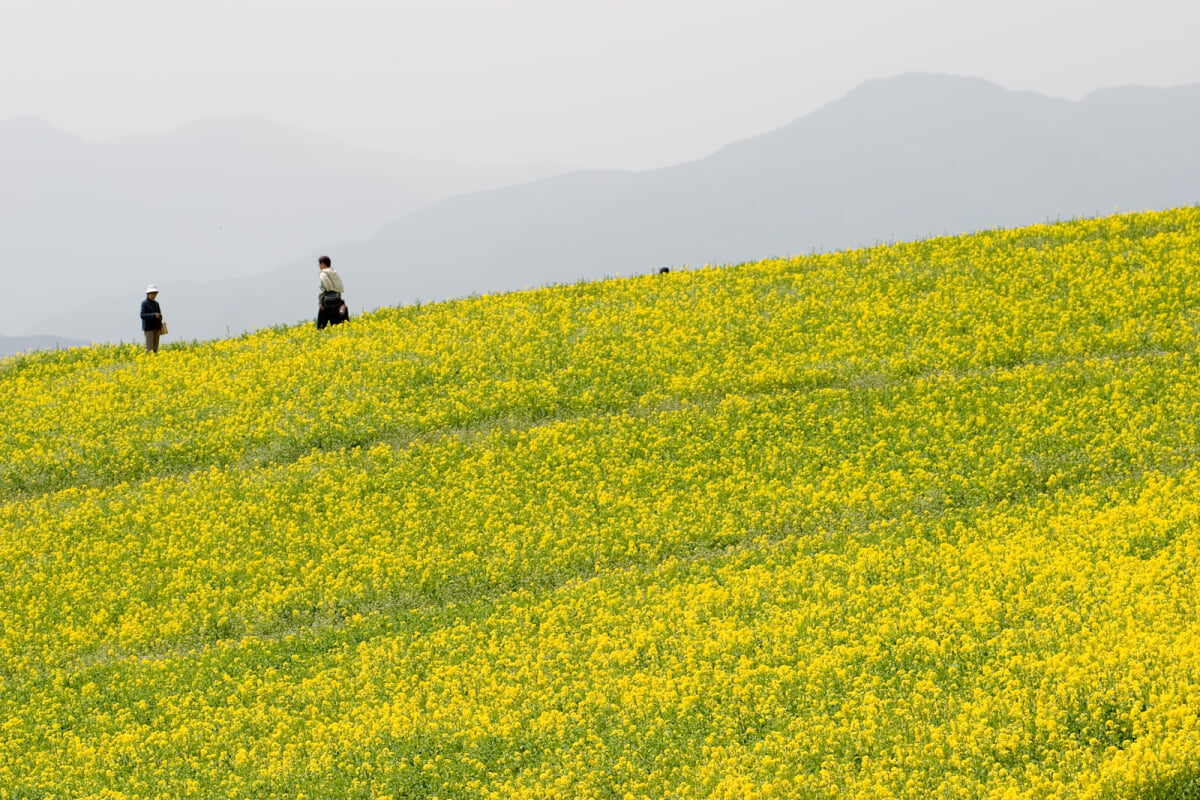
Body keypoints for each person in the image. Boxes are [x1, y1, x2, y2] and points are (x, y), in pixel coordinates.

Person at [316, 255, 349, 329]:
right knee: (336, 325)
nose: (319, 266)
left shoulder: (323, 274)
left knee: (321, 326)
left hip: (326, 302)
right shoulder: (334, 273)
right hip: (336, 301)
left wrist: (320, 301)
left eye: (319, 264)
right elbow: (338, 287)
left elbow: (323, 288)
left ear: (323, 264)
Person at [140, 284, 163, 353]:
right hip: (148, 328)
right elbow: (142, 315)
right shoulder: (144, 303)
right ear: (148, 294)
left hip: (157, 328)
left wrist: (160, 317)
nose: (153, 296)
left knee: (155, 348)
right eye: (152, 294)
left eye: (155, 294)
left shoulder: (156, 304)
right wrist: (153, 315)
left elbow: (160, 314)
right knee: (149, 348)